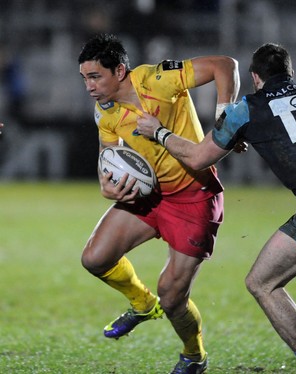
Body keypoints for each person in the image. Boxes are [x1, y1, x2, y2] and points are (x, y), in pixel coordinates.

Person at [136, 42, 296, 374]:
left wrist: (158, 132)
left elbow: (197, 158)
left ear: (255, 77)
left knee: (262, 283)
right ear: (290, 73)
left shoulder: (247, 108)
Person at [78, 33, 240, 374]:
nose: (89, 86)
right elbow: (107, 157)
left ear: (120, 71)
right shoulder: (104, 112)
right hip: (150, 195)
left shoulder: (158, 78)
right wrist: (107, 186)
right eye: (85, 78)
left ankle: (194, 356)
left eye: (95, 76)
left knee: (173, 297)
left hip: (194, 196)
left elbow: (225, 66)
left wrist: (227, 119)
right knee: (95, 258)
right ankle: (141, 303)